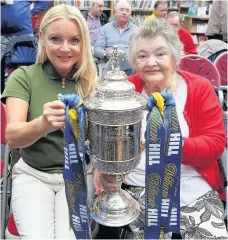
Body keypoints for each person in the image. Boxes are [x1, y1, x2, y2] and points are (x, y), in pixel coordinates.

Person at [94, 19, 227, 239]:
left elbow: (215, 144)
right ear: (134, 62)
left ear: (175, 57)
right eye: (143, 55)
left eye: (160, 54)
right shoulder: (124, 89)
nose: (151, 62)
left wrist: (174, 144)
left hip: (191, 188)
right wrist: (103, 170)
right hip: (138, 190)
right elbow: (103, 139)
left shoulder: (198, 88)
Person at [2, 4, 97, 239]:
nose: (65, 48)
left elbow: (100, 142)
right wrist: (42, 124)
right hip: (33, 174)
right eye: (56, 39)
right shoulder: (23, 77)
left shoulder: (92, 83)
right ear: (42, 38)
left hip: (78, 176)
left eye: (74, 40)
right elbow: (11, 136)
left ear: (83, 43)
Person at [93, 0, 136, 76]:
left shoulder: (136, 30)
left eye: (127, 10)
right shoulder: (105, 29)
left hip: (129, 67)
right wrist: (105, 54)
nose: (124, 12)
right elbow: (97, 48)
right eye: (121, 9)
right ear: (115, 12)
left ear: (130, 14)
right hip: (108, 64)